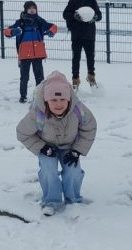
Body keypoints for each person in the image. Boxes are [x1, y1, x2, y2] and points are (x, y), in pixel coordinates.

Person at [16, 71, 97, 216]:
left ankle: (73, 200)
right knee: (48, 169)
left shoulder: (78, 110)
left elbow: (90, 127)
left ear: (69, 99)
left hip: (70, 147)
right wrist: (42, 147)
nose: (58, 104)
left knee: (73, 170)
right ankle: (51, 201)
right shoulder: (38, 113)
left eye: (62, 100)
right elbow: (22, 132)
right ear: (46, 101)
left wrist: (77, 150)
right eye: (53, 100)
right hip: (47, 147)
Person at [4, 0, 58, 103]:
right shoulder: (20, 22)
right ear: (26, 10)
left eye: (34, 8)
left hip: (38, 54)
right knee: (24, 77)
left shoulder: (40, 21)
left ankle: (40, 96)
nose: (32, 10)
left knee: (40, 77)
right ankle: (23, 96)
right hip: (24, 55)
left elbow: (53, 27)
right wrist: (12, 31)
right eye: (30, 8)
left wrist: (51, 31)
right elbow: (6, 32)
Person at [62, 0, 102, 89]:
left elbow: (99, 15)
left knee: (90, 57)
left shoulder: (92, 1)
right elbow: (65, 14)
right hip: (77, 34)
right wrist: (74, 16)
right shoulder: (73, 0)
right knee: (76, 57)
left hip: (89, 34)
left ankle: (91, 77)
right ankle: (75, 79)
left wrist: (95, 17)